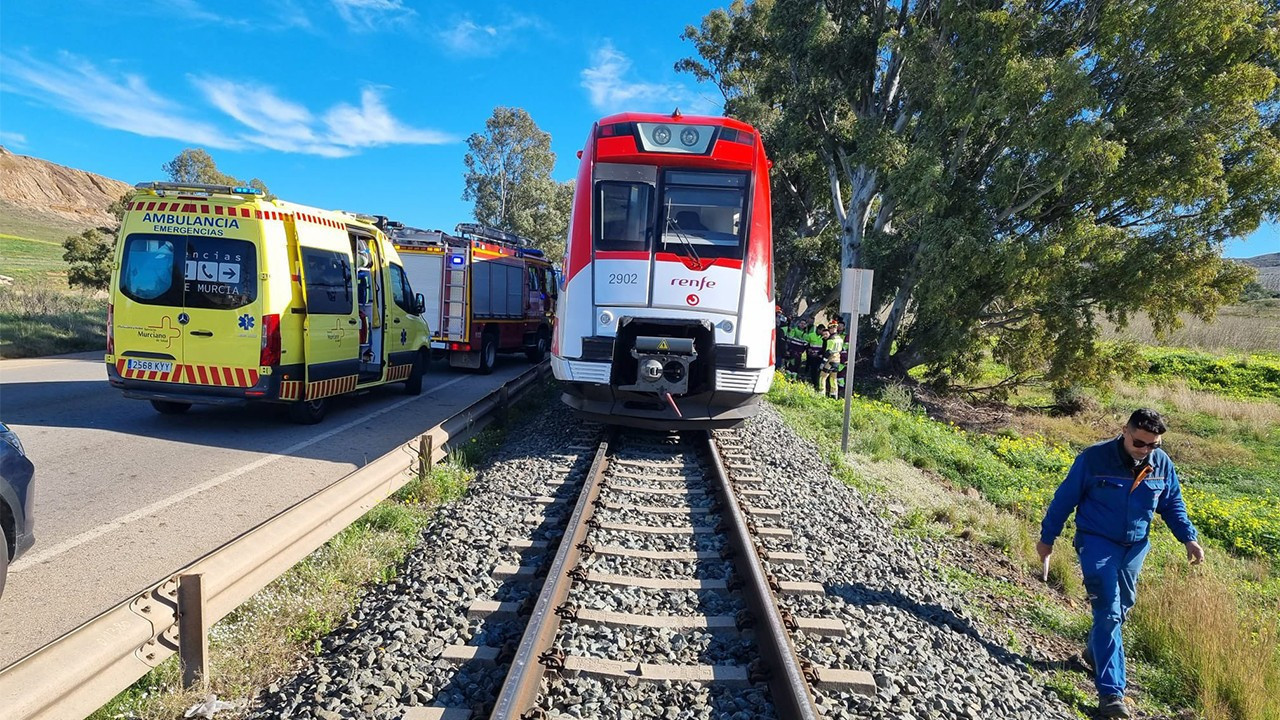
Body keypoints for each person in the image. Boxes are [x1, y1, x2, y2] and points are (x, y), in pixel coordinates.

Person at [1037, 409, 1204, 719]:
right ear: (1124, 431)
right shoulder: (1094, 459)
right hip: (1096, 542)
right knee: (1109, 612)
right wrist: (1047, 539)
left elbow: (1172, 504)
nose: (1146, 450)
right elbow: (1064, 499)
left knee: (1123, 607)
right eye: (1140, 443)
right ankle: (1112, 694)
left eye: (1154, 445)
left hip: (1135, 547)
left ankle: (1094, 652)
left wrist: (1188, 538)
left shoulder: (1161, 463)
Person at [818, 327, 844, 398]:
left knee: (822, 376)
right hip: (837, 360)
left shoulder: (831, 339)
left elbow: (828, 351)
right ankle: (834, 394)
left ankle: (821, 393)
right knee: (833, 378)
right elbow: (841, 349)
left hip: (830, 360)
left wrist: (823, 362)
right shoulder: (840, 338)